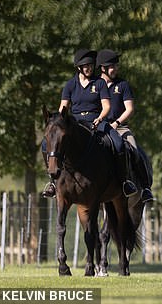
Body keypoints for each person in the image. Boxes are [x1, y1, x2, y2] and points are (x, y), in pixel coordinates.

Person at [41, 49, 137, 199]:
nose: (89, 68)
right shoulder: (70, 85)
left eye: (91, 65)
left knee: (118, 143)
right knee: (45, 144)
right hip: (75, 121)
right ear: (79, 68)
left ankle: (125, 181)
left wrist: (100, 118)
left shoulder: (99, 83)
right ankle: (53, 182)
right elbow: (63, 108)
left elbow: (106, 106)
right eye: (86, 66)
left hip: (96, 120)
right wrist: (58, 122)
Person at [97, 49, 154, 203]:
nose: (115, 69)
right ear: (102, 68)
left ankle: (145, 187)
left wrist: (116, 123)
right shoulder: (95, 85)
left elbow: (130, 109)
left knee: (134, 149)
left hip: (120, 127)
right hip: (98, 127)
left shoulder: (122, 85)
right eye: (111, 66)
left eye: (116, 66)